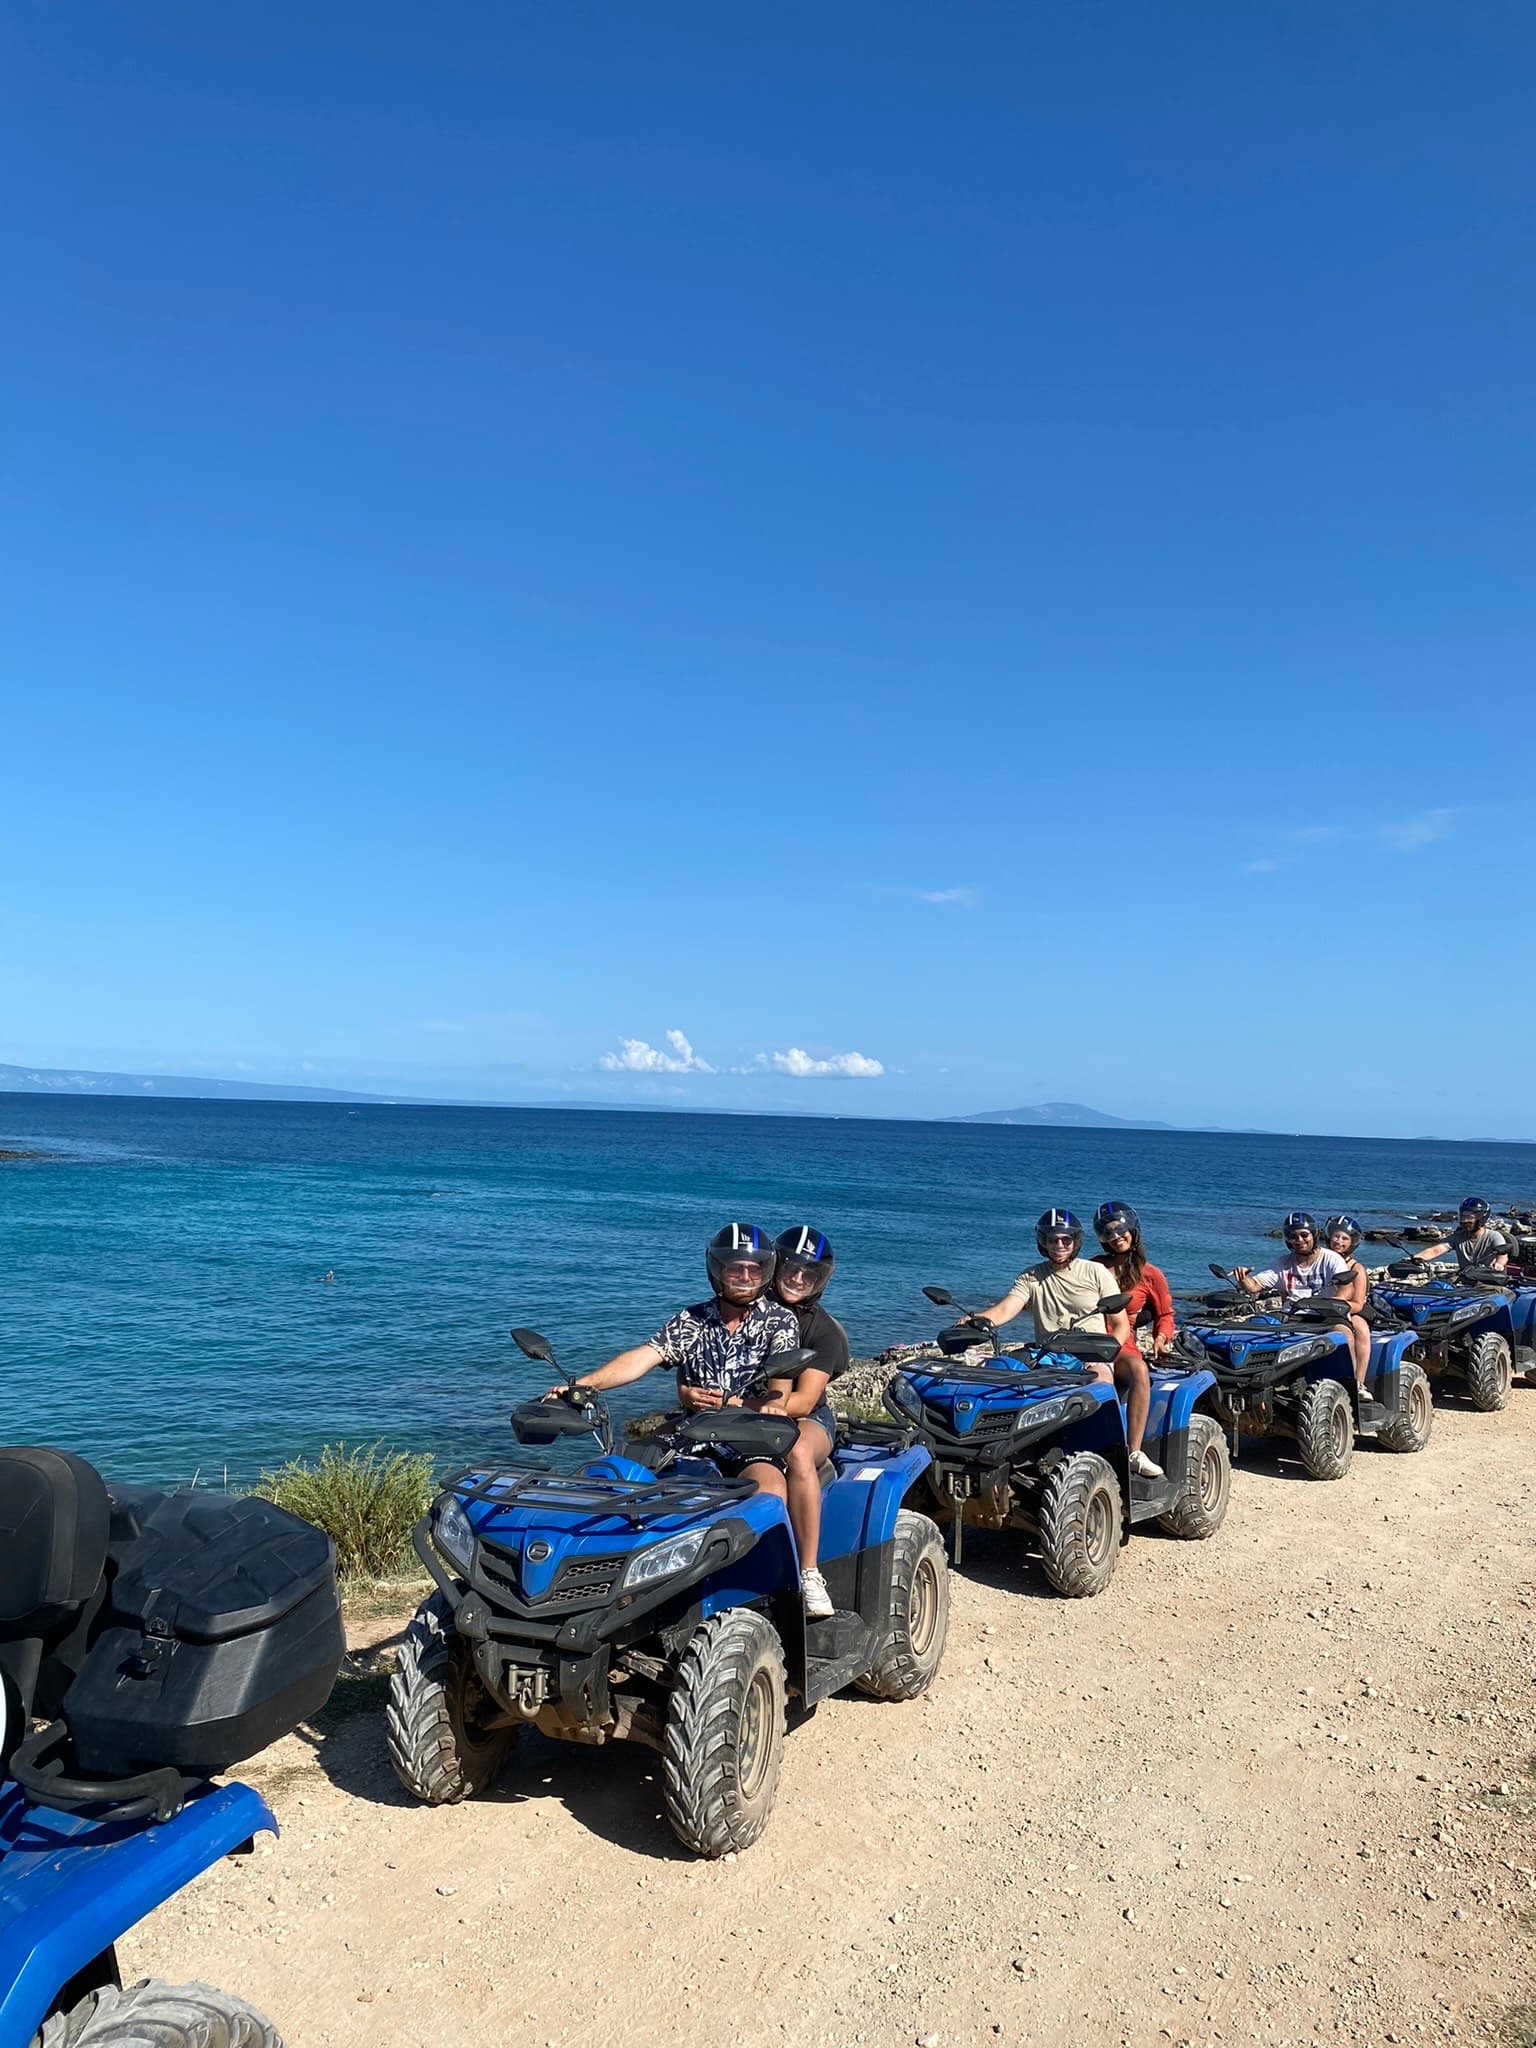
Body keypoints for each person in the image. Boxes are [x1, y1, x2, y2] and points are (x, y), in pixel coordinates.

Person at [545, 1222, 831, 1616]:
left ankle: (764, 1587)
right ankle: (596, 1578)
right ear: (718, 1270)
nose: (745, 1277)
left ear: (765, 1271)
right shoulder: (693, 1319)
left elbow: (779, 1390)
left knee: (769, 1492)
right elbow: (643, 1357)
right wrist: (583, 1385)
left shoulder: (779, 1321)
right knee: (617, 1474)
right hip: (693, 1434)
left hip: (750, 1439)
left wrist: (744, 1404)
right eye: (735, 1268)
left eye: (753, 1269)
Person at [966, 1208, 1161, 1479]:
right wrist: (977, 1319)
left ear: (1075, 1241)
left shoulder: (1095, 1272)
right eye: (1053, 1239)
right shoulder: (1031, 1277)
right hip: (1047, 1356)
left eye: (1066, 1239)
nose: (1059, 1245)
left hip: (1091, 1356)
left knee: (1100, 1387)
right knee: (999, 1377)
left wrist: (1104, 1353)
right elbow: (1007, 1308)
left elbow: (1120, 1324)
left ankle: (1119, 1454)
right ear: (1043, 1242)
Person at [763, 1226, 849, 1620]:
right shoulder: (752, 1309)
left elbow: (803, 1400)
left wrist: (739, 1405)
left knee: (796, 1452)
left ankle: (809, 1571)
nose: (798, 1278)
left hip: (808, 1417)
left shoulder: (822, 1330)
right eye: (791, 1268)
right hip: (750, 1412)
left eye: (809, 1273)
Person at [1231, 1212, 1368, 1386]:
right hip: (1293, 1317)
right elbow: (1256, 1285)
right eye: (1293, 1236)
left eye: (1304, 1235)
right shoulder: (1283, 1264)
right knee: (1258, 1331)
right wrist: (1244, 1279)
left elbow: (1346, 1287)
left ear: (1314, 1235)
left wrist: (1333, 1304)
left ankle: (1352, 1385)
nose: (1299, 1240)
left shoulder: (1331, 1259)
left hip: (1327, 1317)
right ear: (1287, 1240)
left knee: (1344, 1336)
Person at [1092, 1201, 1176, 1360]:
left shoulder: (1151, 1274)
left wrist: (1160, 1338)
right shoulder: (1094, 1266)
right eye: (1109, 1233)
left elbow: (1165, 1314)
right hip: (1089, 1337)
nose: (1115, 1236)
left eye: (1120, 1229)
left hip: (1123, 1344)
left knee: (1138, 1369)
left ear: (1132, 1229)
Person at [1322, 1214, 1375, 1391]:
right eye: (1336, 1236)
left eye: (1344, 1238)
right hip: (1319, 1307)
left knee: (1361, 1330)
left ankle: (1359, 1382)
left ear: (1352, 1242)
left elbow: (1358, 1303)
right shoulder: (1321, 1260)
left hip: (1350, 1309)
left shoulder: (1356, 1268)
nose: (1339, 1241)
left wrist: (1334, 1306)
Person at [1409, 1197, 1509, 1274]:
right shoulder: (1458, 1237)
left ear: (1481, 1218)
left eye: (1469, 1217)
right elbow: (1436, 1250)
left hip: (1489, 1280)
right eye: (1463, 1216)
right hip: (1465, 1279)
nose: (1465, 1220)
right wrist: (1412, 1259)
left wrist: (1499, 1265)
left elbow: (1503, 1256)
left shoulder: (1494, 1236)